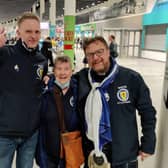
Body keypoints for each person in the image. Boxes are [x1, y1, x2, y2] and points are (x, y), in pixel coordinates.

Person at [75, 36, 156, 168]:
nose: (95, 58)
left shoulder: (131, 78)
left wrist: (148, 143)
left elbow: (147, 112)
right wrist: (49, 77)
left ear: (108, 51)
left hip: (124, 155)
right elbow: (61, 80)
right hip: (94, 155)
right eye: (90, 54)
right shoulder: (81, 79)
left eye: (99, 52)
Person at [0, 12, 48, 168]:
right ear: (18, 32)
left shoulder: (42, 60)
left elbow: (38, 88)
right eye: (28, 31)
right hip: (4, 134)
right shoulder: (5, 54)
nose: (33, 36)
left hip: (30, 134)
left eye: (37, 32)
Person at [36, 55, 84, 167]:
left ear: (72, 71)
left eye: (66, 69)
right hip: (49, 152)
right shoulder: (45, 91)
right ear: (54, 71)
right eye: (59, 69)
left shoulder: (78, 91)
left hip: (70, 151)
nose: (63, 73)